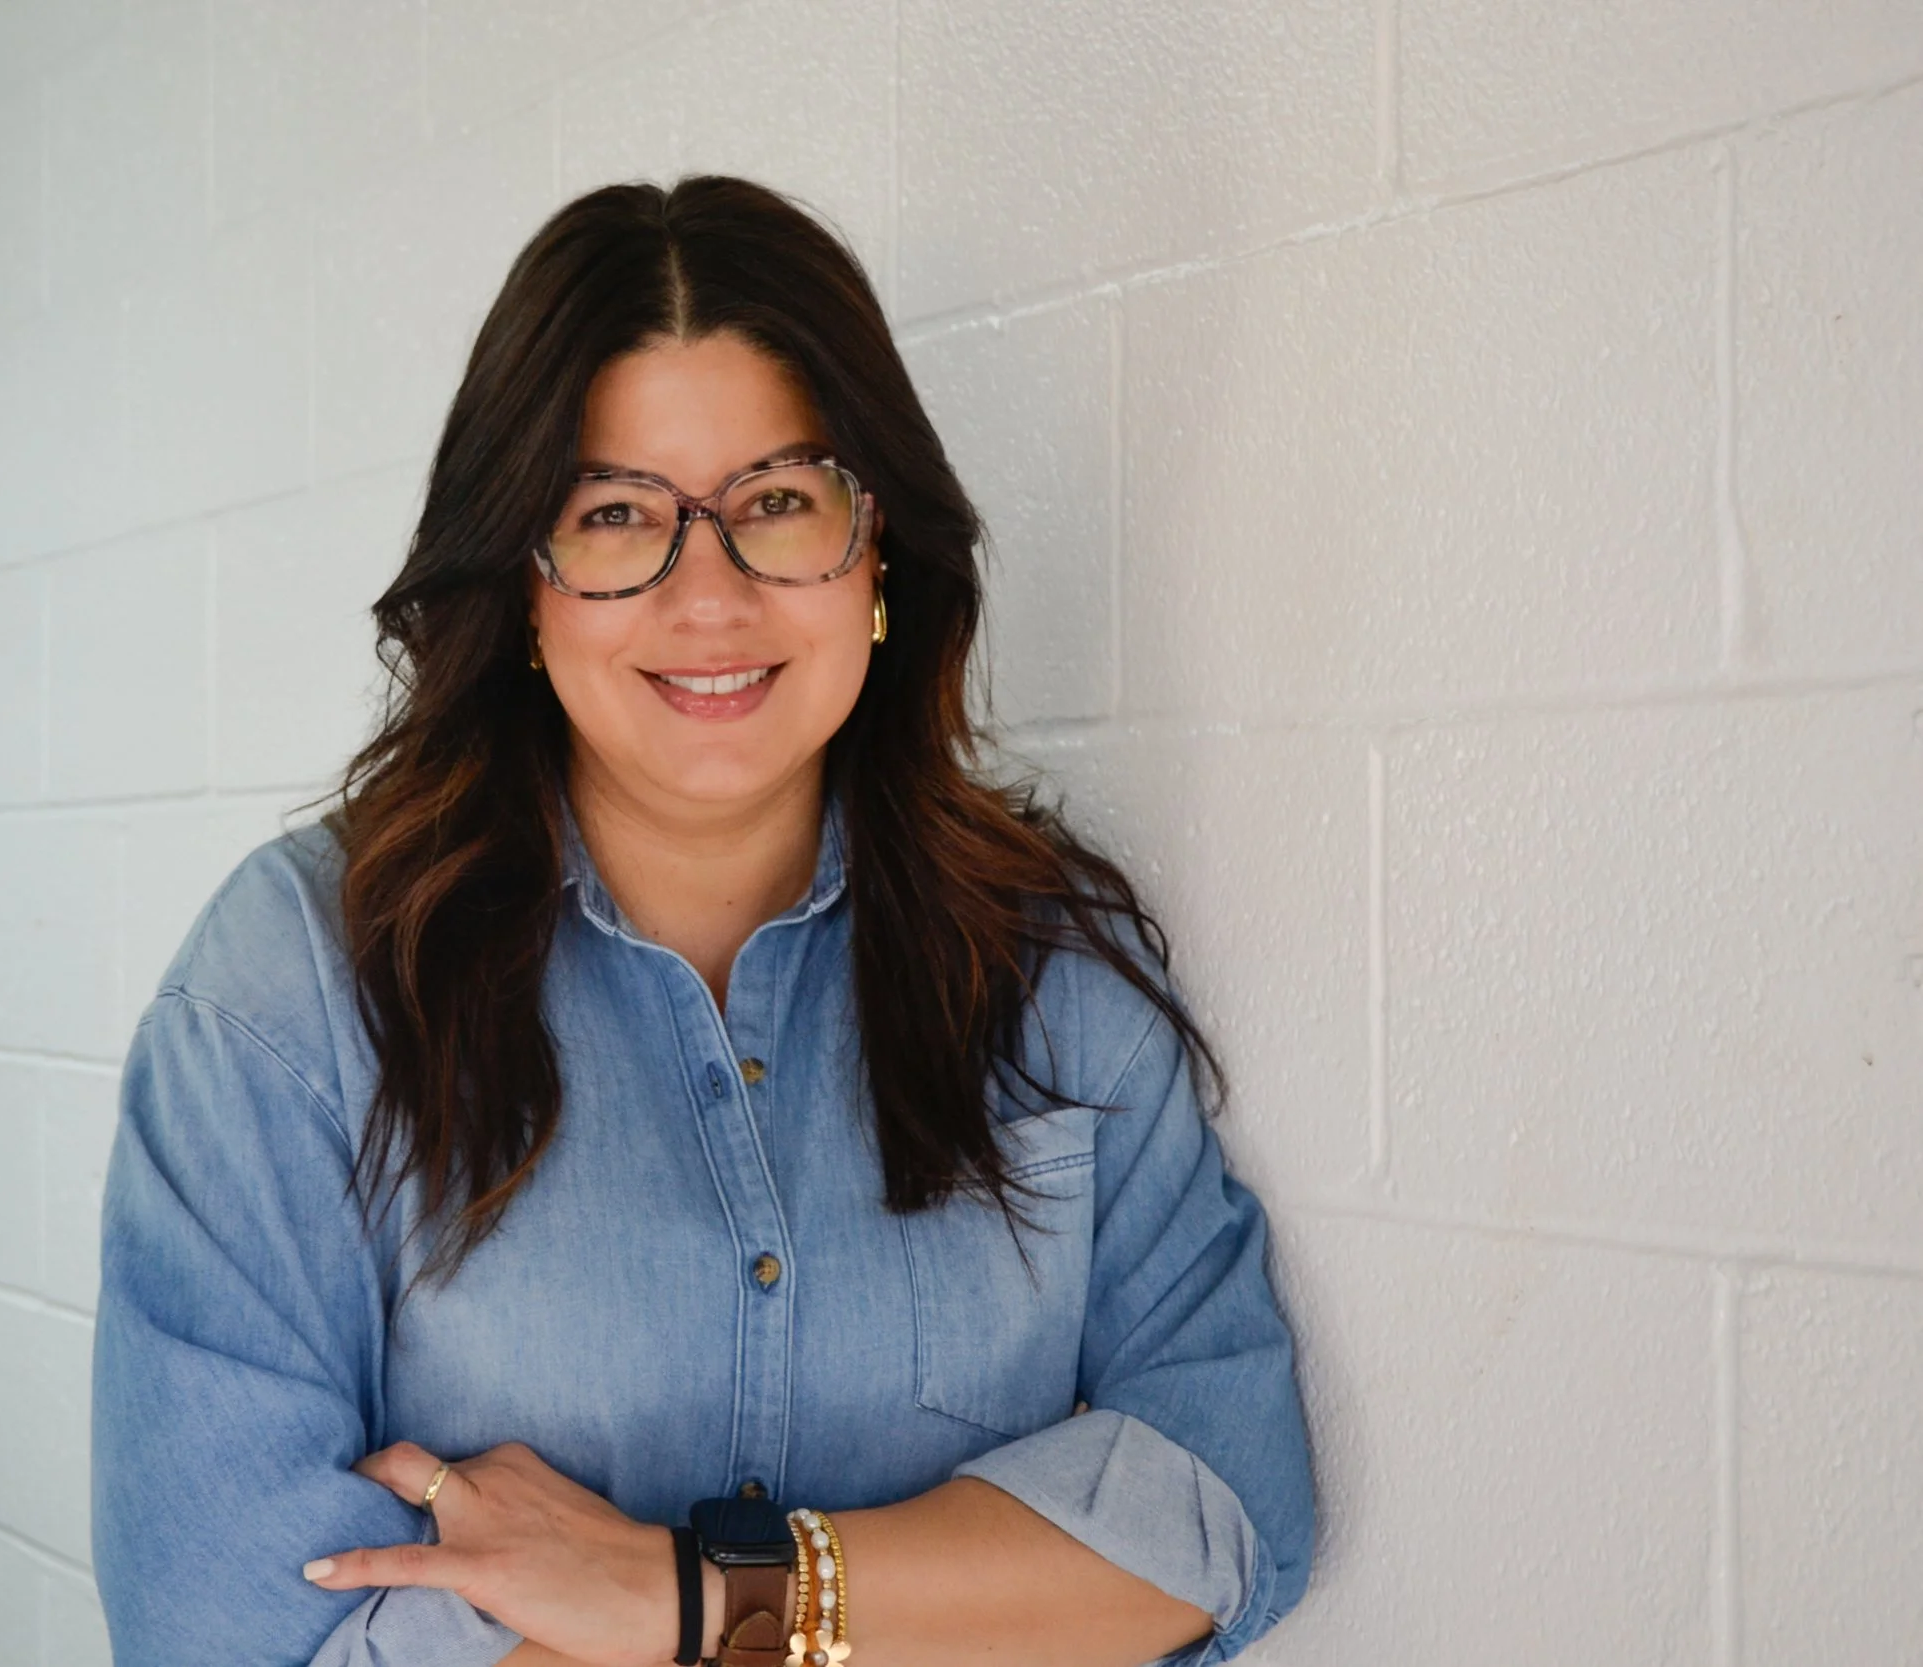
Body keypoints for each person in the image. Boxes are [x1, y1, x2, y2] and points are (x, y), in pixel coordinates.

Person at [91, 176, 1314, 1667]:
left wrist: (688, 1595)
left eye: (777, 502)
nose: (709, 595)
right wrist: (976, 1589)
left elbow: (1229, 1502)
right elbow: (236, 1638)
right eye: (617, 517)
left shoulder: (1043, 964)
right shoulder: (287, 996)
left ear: (878, 558)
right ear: (525, 588)